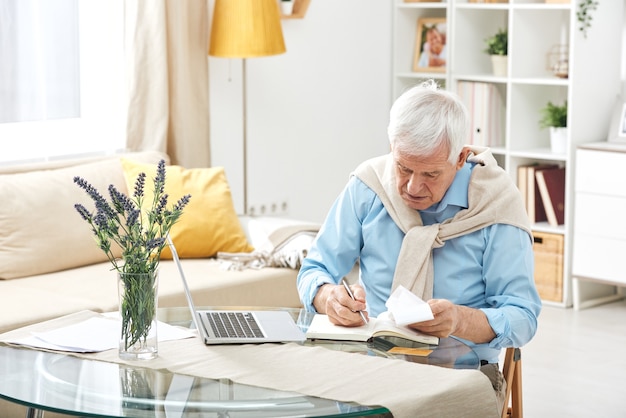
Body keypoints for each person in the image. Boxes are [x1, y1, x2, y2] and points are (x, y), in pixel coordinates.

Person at [297, 80, 542, 405]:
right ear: (392, 147)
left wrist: (460, 319)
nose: (412, 186)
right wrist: (329, 298)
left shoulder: (494, 204)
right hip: (369, 363)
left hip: (462, 374)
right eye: (403, 167)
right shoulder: (368, 187)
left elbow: (523, 315)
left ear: (460, 158)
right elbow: (315, 270)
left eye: (430, 174)